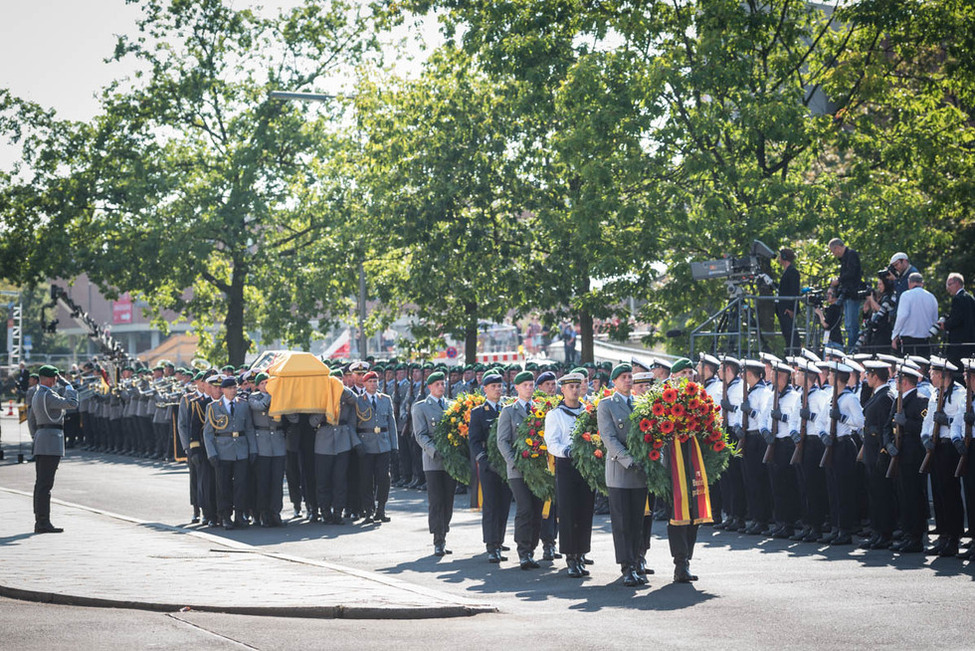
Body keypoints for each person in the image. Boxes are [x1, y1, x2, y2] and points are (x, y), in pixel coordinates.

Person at [599, 363, 649, 587]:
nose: (629, 381)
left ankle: (637, 560)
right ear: (615, 382)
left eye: (630, 377)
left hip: (640, 473)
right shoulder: (607, 404)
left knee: (637, 521)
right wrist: (629, 460)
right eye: (624, 377)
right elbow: (608, 438)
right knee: (622, 522)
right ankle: (626, 566)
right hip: (620, 471)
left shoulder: (641, 404)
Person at [543, 372, 593, 578]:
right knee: (569, 512)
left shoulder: (587, 412)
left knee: (585, 510)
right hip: (567, 464)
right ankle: (571, 557)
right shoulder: (555, 414)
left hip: (587, 466)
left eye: (577, 386)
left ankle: (581, 552)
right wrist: (568, 451)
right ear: (562, 390)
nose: (575, 390)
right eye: (570, 387)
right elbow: (551, 443)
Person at [497, 370, 545, 569]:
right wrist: (514, 461)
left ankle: (532, 549)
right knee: (525, 508)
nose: (529, 388)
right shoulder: (509, 411)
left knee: (537, 509)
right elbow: (502, 441)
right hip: (518, 470)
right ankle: (523, 551)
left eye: (531, 384)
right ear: (516, 388)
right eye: (524, 385)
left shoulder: (540, 408)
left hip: (539, 469)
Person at [920, 357, 965, 557]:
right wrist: (925, 438)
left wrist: (945, 420)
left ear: (940, 374)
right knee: (938, 492)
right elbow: (928, 421)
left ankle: (953, 538)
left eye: (932, 372)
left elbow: (962, 420)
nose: (930, 376)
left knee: (950, 493)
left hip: (950, 447)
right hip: (936, 447)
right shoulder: (935, 394)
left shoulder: (959, 394)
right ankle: (943, 535)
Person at [884, 365, 928, 553]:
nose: (895, 383)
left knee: (913, 496)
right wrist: (888, 445)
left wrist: (907, 423)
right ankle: (907, 533)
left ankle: (915, 537)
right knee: (903, 495)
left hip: (913, 455)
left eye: (897, 380)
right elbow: (887, 426)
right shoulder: (898, 400)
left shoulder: (920, 401)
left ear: (905, 381)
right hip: (899, 454)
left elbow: (924, 428)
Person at [202, 376, 257, 530]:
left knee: (241, 484)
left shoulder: (243, 405)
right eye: (230, 388)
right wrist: (211, 453)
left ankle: (240, 514)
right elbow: (208, 433)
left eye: (235, 388)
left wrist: (252, 450)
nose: (233, 391)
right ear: (223, 390)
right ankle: (225, 516)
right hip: (222, 450)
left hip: (241, 449)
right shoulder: (213, 407)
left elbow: (249, 429)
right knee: (223, 485)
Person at [468, 373, 512, 563]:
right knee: (491, 505)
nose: (498, 389)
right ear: (485, 389)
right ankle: (491, 544)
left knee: (504, 505)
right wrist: (483, 460)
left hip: (506, 464)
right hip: (488, 465)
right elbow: (474, 441)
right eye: (493, 386)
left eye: (500, 386)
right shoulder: (479, 412)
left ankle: (499, 540)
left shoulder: (507, 410)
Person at [31, 365, 78, 533]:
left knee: (41, 483)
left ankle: (40, 520)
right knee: (45, 484)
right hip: (50, 441)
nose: (57, 380)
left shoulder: (38, 393)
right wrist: (69, 387)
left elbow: (31, 419)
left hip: (42, 438)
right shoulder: (48, 395)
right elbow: (72, 404)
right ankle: (43, 522)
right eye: (56, 378)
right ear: (51, 379)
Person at [412, 371, 455, 556]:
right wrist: (434, 451)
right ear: (429, 387)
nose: (441, 387)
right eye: (437, 384)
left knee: (448, 501)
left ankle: (444, 532)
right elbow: (420, 434)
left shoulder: (452, 405)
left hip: (451, 461)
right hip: (433, 460)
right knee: (436, 501)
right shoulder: (421, 407)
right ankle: (438, 539)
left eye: (442, 383)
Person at [859, 361, 896, 549]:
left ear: (875, 376)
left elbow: (885, 429)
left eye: (868, 374)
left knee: (882, 495)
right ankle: (876, 532)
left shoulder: (885, 397)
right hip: (872, 453)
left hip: (879, 454)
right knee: (874, 494)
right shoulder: (877, 395)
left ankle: (884, 533)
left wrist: (883, 453)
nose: (866, 378)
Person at [356, 371, 398, 524]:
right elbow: (352, 425)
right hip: (366, 445)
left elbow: (391, 424)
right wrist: (357, 444)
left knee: (383, 478)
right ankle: (368, 510)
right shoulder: (359, 401)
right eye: (370, 382)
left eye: (375, 381)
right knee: (366, 479)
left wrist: (395, 446)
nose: (373, 384)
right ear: (364, 384)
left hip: (383, 444)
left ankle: (381, 509)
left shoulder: (385, 399)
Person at [248, 372, 288, 527]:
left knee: (277, 481)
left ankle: (275, 512)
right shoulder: (254, 397)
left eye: (268, 382)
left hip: (277, 441)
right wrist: (272, 394)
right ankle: (263, 513)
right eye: (263, 383)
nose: (266, 385)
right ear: (258, 385)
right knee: (263, 481)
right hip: (262, 441)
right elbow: (260, 406)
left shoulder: (277, 396)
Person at [828, 238, 864, 352]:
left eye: (833, 251)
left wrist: (838, 280)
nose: (834, 255)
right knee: (848, 325)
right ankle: (851, 348)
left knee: (851, 324)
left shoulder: (851, 255)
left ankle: (853, 349)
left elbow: (852, 273)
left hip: (852, 294)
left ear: (837, 248)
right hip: (846, 294)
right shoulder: (844, 258)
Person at [891, 273, 939, 358]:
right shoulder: (932, 297)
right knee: (922, 367)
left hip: (908, 340)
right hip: (925, 340)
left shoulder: (906, 295)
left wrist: (895, 335)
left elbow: (902, 316)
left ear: (909, 282)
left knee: (909, 367)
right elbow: (935, 320)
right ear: (922, 283)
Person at [942, 273, 975, 371]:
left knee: (956, 371)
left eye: (949, 284)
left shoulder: (958, 298)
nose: (948, 288)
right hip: (970, 342)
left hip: (958, 344)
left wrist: (945, 325)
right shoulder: (971, 298)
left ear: (957, 283)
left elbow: (956, 319)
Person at [860, 270, 897, 354]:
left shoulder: (889, 296)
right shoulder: (883, 297)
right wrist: (866, 312)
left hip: (884, 332)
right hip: (875, 333)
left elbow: (881, 310)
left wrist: (871, 299)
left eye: (880, 284)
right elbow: (872, 315)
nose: (878, 286)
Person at [776, 248, 801, 355]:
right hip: (782, 308)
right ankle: (789, 353)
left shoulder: (793, 272)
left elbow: (794, 291)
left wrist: (791, 309)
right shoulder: (787, 272)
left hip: (787, 309)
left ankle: (794, 354)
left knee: (791, 333)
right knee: (786, 333)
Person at [815, 288, 845, 354]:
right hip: (834, 341)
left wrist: (820, 313)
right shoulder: (836, 308)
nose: (827, 296)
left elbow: (826, 325)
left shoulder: (833, 308)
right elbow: (827, 310)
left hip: (832, 342)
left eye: (830, 293)